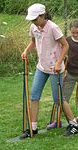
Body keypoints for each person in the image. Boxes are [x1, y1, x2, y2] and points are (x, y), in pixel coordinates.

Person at [20, 3, 68, 138]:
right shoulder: (33, 27)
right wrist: (26, 51)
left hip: (55, 68)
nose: (33, 22)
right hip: (41, 67)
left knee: (58, 99)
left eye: (35, 19)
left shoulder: (53, 28)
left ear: (43, 15)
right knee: (34, 96)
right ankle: (33, 128)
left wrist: (59, 63)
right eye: (32, 20)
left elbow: (65, 45)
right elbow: (33, 42)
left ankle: (73, 123)